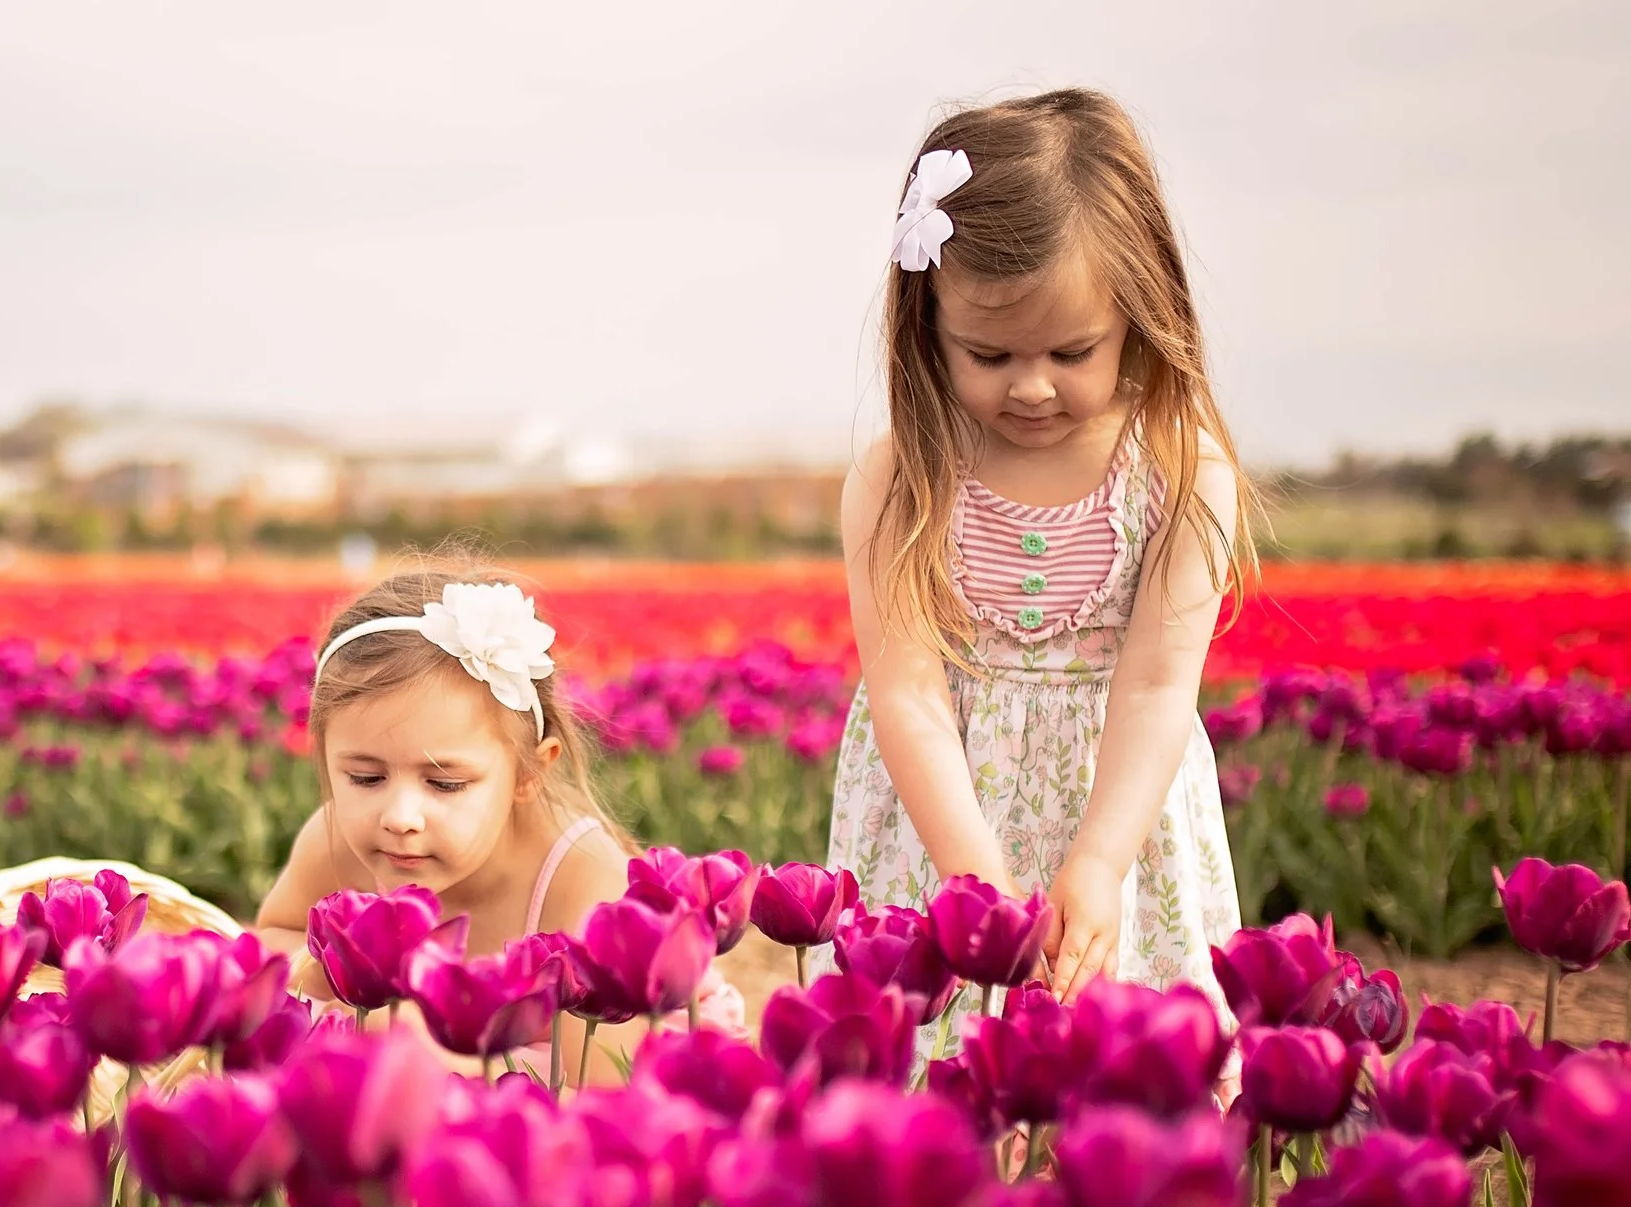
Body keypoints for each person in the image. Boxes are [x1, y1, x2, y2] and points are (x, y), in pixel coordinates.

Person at [819, 88, 1253, 1055]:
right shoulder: (902, 475)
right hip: (942, 823)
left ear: (1143, 315)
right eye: (989, 352)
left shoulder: (1180, 473)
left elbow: (1153, 688)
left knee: (1118, 1078)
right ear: (925, 324)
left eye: (1072, 350)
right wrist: (971, 878)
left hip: (1120, 823)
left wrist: (1099, 860)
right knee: (941, 1080)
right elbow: (908, 691)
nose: (1031, 384)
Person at [254, 560, 743, 1082]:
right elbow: (276, 935)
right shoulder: (337, 844)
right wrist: (338, 980)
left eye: (445, 784)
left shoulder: (584, 880)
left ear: (528, 772)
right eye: (365, 778)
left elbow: (601, 1085)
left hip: (573, 1076)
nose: (399, 818)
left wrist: (428, 1052)